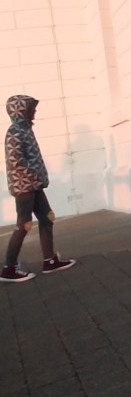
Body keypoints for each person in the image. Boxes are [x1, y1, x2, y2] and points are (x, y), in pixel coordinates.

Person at [2, 95, 76, 283]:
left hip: (33, 185)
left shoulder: (25, 129)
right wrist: (35, 175)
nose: (34, 111)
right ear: (21, 111)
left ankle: (50, 261)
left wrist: (38, 178)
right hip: (24, 187)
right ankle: (9, 268)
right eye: (31, 108)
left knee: (47, 218)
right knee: (24, 224)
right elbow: (16, 161)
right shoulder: (15, 132)